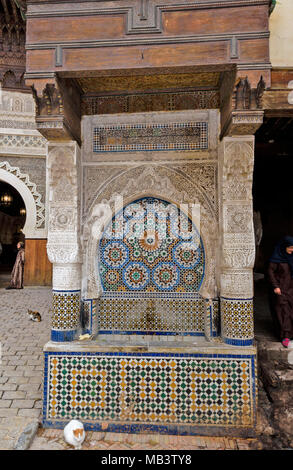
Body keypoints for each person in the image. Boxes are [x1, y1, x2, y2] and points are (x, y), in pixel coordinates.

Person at [268, 236, 293, 348]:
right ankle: (285, 336)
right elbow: (270, 272)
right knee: (284, 311)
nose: (292, 250)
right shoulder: (276, 258)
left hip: (291, 289)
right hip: (281, 290)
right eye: (290, 248)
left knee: (290, 311)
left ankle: (289, 334)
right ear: (284, 247)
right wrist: (275, 286)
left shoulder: (291, 258)